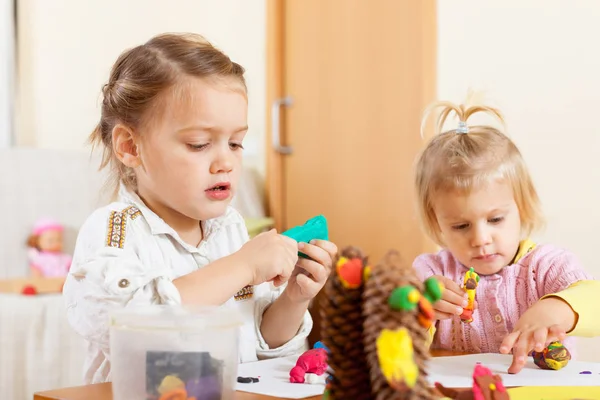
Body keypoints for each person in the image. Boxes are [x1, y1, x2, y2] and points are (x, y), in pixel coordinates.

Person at [62, 32, 337, 384]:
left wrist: (293, 299)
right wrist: (242, 265)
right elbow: (139, 327)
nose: (225, 162)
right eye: (199, 144)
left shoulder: (230, 228)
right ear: (131, 146)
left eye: (236, 143)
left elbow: (258, 344)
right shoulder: (113, 231)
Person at [412, 98, 595, 373]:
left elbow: (595, 297)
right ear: (436, 222)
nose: (481, 238)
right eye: (461, 226)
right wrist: (420, 312)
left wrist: (557, 308)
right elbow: (396, 347)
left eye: (495, 219)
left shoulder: (547, 266)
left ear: (522, 206)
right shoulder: (431, 273)